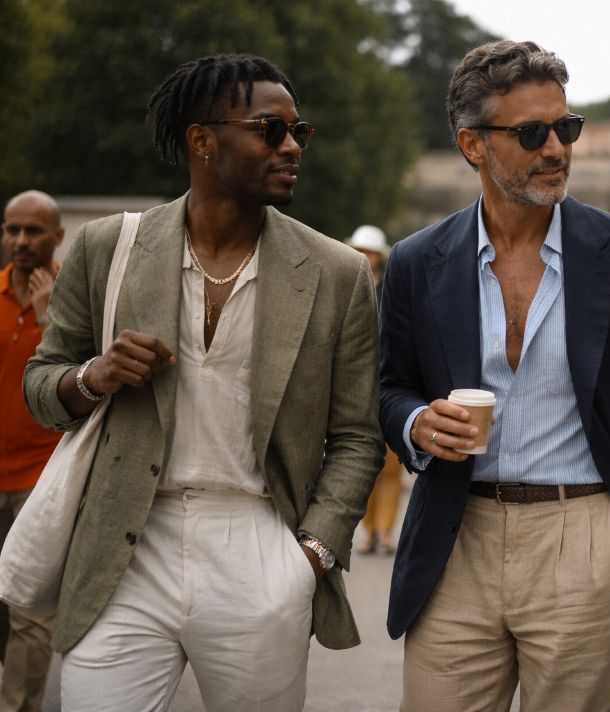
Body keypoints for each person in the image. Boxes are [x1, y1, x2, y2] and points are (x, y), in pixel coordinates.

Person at [23, 53, 383, 711]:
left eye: (301, 132)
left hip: (257, 542)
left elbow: (359, 434)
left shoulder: (337, 273)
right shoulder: (106, 249)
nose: (293, 146)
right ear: (202, 140)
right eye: (270, 130)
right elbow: (42, 386)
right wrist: (93, 376)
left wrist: (309, 557)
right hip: (126, 546)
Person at [379, 40, 610, 712]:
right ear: (473, 145)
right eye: (532, 133)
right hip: (454, 534)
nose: (557, 148)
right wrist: (416, 422)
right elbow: (389, 386)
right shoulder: (417, 262)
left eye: (567, 127)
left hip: (585, 532)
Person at [0, 190, 64, 712]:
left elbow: (85, 383)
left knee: (30, 610)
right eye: (12, 229)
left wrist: (49, 319)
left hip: (43, 479)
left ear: (57, 237)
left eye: (33, 231)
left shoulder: (76, 297)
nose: (21, 241)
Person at [346, 224, 404, 555]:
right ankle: (368, 530)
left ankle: (384, 530)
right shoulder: (345, 290)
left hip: (388, 388)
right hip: (356, 392)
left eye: (369, 253)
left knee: (392, 467)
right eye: (360, 252)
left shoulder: (391, 292)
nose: (365, 258)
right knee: (362, 463)